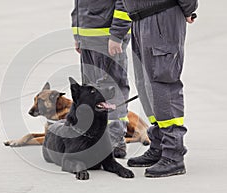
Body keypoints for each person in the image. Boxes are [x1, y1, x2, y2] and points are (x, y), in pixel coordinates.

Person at [122, 0, 198, 177]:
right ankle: (159, 144)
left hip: (161, 18)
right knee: (146, 85)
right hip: (139, 20)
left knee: (163, 82)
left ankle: (173, 154)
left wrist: (189, 9)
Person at [71, 0, 132, 158]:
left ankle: (115, 139)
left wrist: (117, 35)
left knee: (111, 88)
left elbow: (124, 3)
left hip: (107, 37)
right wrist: (78, 34)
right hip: (88, 37)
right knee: (91, 91)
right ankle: (94, 137)